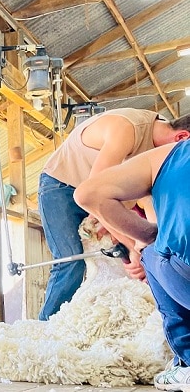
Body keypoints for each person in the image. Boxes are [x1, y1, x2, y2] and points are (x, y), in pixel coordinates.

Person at [37, 108, 190, 320]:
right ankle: (46, 326)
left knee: (122, 257)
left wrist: (151, 250)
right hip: (62, 186)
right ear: (182, 138)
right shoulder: (126, 129)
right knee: (70, 260)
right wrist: (132, 245)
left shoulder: (156, 151)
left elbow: (149, 203)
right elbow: (92, 193)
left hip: (98, 195)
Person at [73, 141, 190, 391]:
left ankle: (187, 364)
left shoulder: (163, 157)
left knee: (153, 253)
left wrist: (140, 246)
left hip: (176, 269)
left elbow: (89, 193)